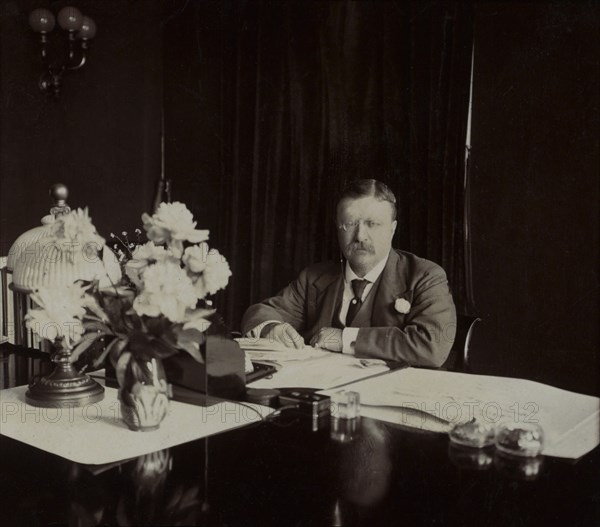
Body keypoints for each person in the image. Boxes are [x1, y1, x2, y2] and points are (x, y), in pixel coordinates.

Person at [241, 179, 456, 366]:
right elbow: (262, 312)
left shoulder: (425, 276)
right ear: (337, 227)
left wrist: (345, 338)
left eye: (372, 224)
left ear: (392, 229)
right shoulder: (314, 277)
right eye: (349, 224)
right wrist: (271, 328)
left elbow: (432, 344)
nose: (360, 236)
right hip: (323, 393)